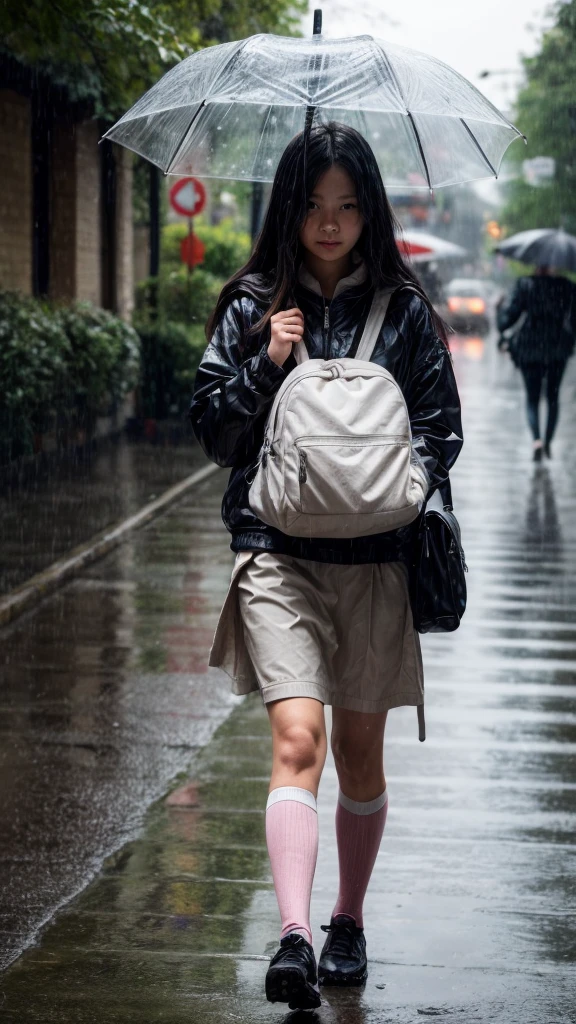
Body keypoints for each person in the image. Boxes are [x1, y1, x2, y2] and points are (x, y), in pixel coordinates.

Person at [190, 122, 463, 1011]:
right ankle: (296, 937)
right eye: (313, 204)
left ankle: (348, 918)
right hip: (278, 558)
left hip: (376, 562)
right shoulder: (251, 305)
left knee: (359, 752)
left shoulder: (407, 311)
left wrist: (401, 477)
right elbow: (216, 434)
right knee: (298, 740)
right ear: (289, 209)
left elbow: (441, 427)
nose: (330, 222)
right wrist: (267, 363)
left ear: (370, 210)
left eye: (347, 206)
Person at [497, 266, 576, 461]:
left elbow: (508, 319)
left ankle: (537, 440)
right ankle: (548, 441)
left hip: (529, 346)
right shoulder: (566, 286)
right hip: (557, 346)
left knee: (532, 398)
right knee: (553, 398)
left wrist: (500, 309)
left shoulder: (526, 284)